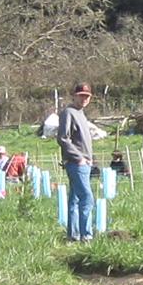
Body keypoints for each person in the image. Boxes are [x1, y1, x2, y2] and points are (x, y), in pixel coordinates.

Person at [48, 83, 104, 242]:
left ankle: (73, 235)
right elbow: (63, 138)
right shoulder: (68, 113)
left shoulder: (81, 113)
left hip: (84, 163)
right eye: (81, 95)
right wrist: (78, 157)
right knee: (87, 198)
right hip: (76, 163)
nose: (84, 98)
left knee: (75, 199)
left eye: (87, 96)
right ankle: (86, 236)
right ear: (74, 95)